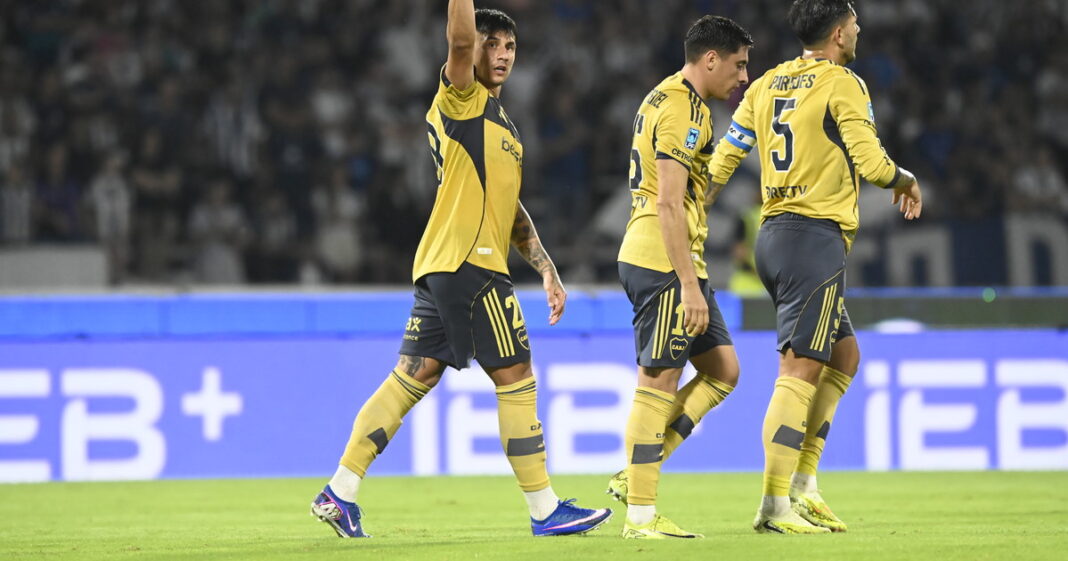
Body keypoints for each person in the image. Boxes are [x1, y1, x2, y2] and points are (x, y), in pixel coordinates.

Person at [309, 1, 612, 539]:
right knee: (515, 376)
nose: (500, 54)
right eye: (490, 44)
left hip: (446, 263)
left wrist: (546, 268)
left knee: (412, 376)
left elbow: (511, 210)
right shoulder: (463, 98)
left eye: (510, 47)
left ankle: (340, 490)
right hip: (472, 264)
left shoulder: (504, 127)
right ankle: (544, 509)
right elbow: (457, 41)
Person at [707, 0, 923, 534]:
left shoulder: (769, 83)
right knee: (799, 368)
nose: (858, 27)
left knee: (843, 355)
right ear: (838, 33)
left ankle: (804, 485)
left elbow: (724, 159)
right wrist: (906, 178)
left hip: (774, 239)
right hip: (813, 238)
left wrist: (688, 205)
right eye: (853, 21)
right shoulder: (843, 83)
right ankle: (775, 505)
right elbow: (872, 166)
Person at [609, 15, 752, 540]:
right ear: (709, 59)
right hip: (663, 259)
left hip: (676, 256)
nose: (743, 77)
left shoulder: (667, 99)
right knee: (658, 380)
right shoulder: (681, 109)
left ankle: (636, 472)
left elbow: (695, 189)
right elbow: (669, 202)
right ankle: (641, 516)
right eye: (738, 65)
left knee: (724, 370)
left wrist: (736, 143)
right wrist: (688, 286)